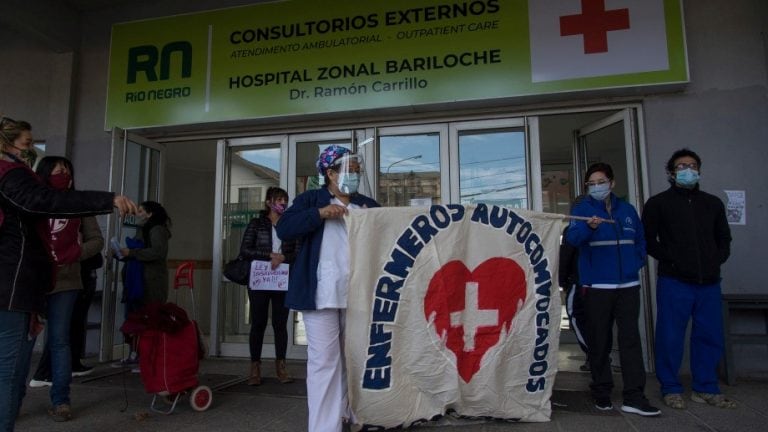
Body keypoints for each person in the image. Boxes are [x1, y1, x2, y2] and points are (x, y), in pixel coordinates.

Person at [0, 116, 136, 431]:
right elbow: (43, 201)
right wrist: (108, 199)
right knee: (9, 365)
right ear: (7, 143)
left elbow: (90, 236)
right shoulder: (11, 175)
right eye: (25, 144)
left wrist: (72, 253)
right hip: (13, 280)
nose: (29, 150)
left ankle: (59, 398)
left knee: (47, 343)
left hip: (50, 280)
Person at [276, 145, 379, 432]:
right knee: (325, 362)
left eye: (357, 171)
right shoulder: (311, 199)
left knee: (356, 358)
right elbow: (284, 228)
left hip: (358, 294)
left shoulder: (367, 205)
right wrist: (319, 214)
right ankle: (324, 427)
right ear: (330, 173)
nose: (354, 176)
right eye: (349, 171)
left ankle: (352, 413)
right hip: (321, 294)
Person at [643, 149, 735, 410]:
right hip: (674, 281)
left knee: (709, 335)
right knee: (670, 336)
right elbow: (649, 240)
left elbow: (724, 238)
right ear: (671, 173)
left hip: (709, 282)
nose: (687, 169)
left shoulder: (713, 203)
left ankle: (705, 387)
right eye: (681, 166)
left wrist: (716, 259)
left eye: (692, 165)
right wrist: (671, 259)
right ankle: (670, 387)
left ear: (699, 170)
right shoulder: (658, 203)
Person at [566, 162, 660, 417]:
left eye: (601, 181)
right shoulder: (582, 209)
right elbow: (573, 239)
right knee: (600, 340)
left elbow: (640, 240)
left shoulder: (627, 210)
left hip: (628, 285)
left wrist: (636, 262)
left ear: (612, 182)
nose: (597, 187)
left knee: (630, 339)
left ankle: (634, 396)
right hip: (597, 287)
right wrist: (590, 227)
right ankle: (601, 392)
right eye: (591, 184)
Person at [25, 157, 105, 422]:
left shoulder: (78, 204)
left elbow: (96, 240)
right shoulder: (31, 200)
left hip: (67, 281)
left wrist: (76, 253)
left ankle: (61, 401)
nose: (64, 172)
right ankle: (11, 401)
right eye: (58, 169)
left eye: (67, 168)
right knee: (22, 342)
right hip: (32, 280)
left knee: (59, 340)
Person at [238, 187, 298, 386]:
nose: (282, 203)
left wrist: (284, 257)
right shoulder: (257, 223)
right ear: (268, 202)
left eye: (285, 200)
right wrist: (269, 255)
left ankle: (281, 365)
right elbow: (245, 249)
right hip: (260, 280)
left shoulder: (290, 225)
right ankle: (255, 366)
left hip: (282, 279)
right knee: (258, 323)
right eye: (279, 200)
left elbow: (297, 252)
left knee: (280, 324)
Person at [116, 201, 172, 368]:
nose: (137, 214)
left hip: (150, 282)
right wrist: (121, 253)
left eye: (141, 211)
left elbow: (157, 252)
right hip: (138, 280)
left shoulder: (157, 230)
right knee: (136, 319)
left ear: (149, 214)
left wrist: (131, 252)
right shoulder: (142, 230)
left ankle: (149, 357)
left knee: (149, 318)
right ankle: (136, 354)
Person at [559, 195, 589, 372]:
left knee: (577, 318)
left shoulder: (572, 231)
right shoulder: (572, 230)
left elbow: (566, 256)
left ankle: (595, 355)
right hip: (595, 284)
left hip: (579, 283)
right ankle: (596, 356)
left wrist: (561, 280)